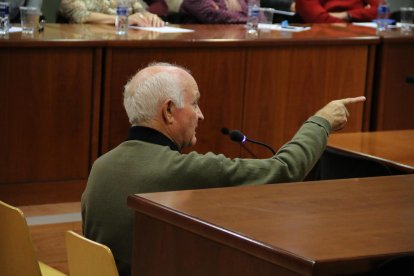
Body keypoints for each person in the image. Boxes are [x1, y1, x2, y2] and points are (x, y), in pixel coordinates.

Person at [81, 62, 366, 275]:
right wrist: (321, 121)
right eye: (195, 103)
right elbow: (284, 170)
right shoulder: (182, 170)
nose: (201, 114)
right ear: (168, 111)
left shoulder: (101, 165)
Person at [60, 0, 164, 27]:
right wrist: (120, 20)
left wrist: (150, 17)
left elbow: (140, 10)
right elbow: (78, 14)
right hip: (89, 44)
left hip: (126, 42)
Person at [295, 0, 378, 23]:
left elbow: (384, 12)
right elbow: (319, 19)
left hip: (363, 37)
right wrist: (364, 13)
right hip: (323, 38)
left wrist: (347, 15)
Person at [179, 0, 248, 23]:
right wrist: (250, 19)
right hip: (200, 46)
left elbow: (252, 12)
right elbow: (213, 15)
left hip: (237, 41)